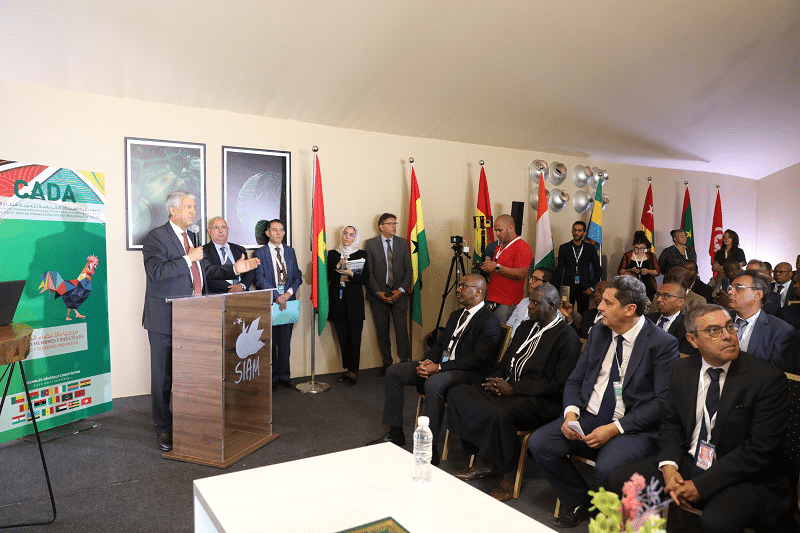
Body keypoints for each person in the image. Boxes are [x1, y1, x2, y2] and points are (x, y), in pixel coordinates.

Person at [610, 305, 791, 533]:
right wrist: (669, 468)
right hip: (693, 459)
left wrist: (700, 485)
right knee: (622, 479)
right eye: (714, 331)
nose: (727, 336)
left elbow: (760, 449)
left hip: (744, 474)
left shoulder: (766, 379)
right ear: (693, 340)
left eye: (729, 327)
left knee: (717, 521)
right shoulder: (683, 370)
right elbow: (671, 424)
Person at [528, 275, 679, 528]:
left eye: (608, 303)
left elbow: (661, 403)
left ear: (630, 309)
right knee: (541, 443)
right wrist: (571, 413)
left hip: (632, 426)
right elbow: (575, 379)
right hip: (591, 415)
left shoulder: (662, 344)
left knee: (608, 469)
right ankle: (579, 501)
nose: (599, 307)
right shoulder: (599, 332)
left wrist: (614, 428)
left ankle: (615, 521)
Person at [142, 191, 259, 451]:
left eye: (194, 207)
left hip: (193, 318)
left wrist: (235, 269)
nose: (193, 211)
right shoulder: (156, 237)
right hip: (164, 319)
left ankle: (188, 420)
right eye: (188, 207)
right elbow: (156, 272)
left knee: (188, 375)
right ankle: (163, 427)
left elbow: (205, 270)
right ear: (173, 210)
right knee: (162, 378)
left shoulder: (191, 238)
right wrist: (188, 259)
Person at [447, 284, 580, 501]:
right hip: (510, 388)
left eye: (536, 303)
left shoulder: (567, 337)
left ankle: (508, 475)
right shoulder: (526, 326)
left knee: (501, 414)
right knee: (459, 395)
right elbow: (507, 359)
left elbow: (559, 383)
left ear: (552, 306)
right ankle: (483, 460)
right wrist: (495, 379)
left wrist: (514, 389)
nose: (530, 307)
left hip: (542, 399)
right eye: (530, 301)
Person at [368, 274, 501, 465]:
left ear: (478, 292)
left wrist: (439, 368)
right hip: (442, 366)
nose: (458, 289)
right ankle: (395, 433)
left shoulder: (489, 321)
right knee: (394, 372)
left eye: (464, 286)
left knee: (434, 383)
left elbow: (478, 359)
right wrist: (427, 361)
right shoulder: (456, 315)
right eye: (459, 285)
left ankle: (430, 450)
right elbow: (440, 344)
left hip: (468, 374)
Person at [254, 219, 303, 390]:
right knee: (271, 342)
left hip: (288, 302)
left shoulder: (290, 251)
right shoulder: (260, 253)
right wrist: (277, 297)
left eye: (281, 230)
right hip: (271, 302)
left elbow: (297, 276)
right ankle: (272, 378)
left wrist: (287, 294)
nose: (278, 233)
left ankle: (284, 376)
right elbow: (259, 279)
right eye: (274, 230)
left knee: (285, 343)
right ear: (267, 233)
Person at [365, 213, 412, 375]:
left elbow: (408, 269)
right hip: (378, 295)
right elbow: (368, 272)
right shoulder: (371, 244)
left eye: (395, 223)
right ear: (381, 226)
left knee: (401, 330)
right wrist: (378, 292)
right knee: (382, 331)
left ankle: (404, 363)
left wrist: (401, 290)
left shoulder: (402, 243)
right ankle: (387, 363)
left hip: (399, 293)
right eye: (390, 223)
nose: (394, 226)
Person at [726, 270, 796, 372]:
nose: (730, 292)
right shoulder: (720, 319)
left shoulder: (780, 330)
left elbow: (774, 374)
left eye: (738, 288)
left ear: (758, 295)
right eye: (730, 288)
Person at [327, 225, 369, 386]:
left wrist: (351, 274)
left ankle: (354, 372)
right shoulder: (333, 254)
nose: (347, 237)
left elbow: (365, 279)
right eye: (345, 233)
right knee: (342, 338)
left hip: (354, 302)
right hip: (338, 300)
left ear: (355, 237)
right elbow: (327, 277)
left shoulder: (361, 254)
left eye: (351, 234)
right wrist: (337, 266)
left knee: (355, 338)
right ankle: (346, 370)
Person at [479, 214, 532, 324]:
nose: (497, 234)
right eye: (496, 231)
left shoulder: (522, 247)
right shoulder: (499, 247)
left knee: (499, 332)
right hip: (492, 298)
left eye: (500, 230)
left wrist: (497, 267)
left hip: (507, 302)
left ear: (511, 228)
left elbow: (521, 273)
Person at [554, 221, 601, 314]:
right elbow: (559, 269)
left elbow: (598, 269)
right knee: (566, 312)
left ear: (584, 233)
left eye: (579, 231)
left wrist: (592, 287)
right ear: (572, 231)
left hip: (585, 287)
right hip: (568, 287)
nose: (576, 233)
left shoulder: (590, 248)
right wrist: (556, 288)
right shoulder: (564, 248)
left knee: (584, 313)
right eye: (574, 230)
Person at [202, 216, 255, 294]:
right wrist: (231, 289)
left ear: (227, 230)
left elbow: (249, 272)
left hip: (242, 295)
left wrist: (241, 286)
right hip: (217, 296)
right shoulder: (203, 251)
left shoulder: (239, 249)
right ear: (209, 232)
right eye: (216, 228)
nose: (221, 231)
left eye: (223, 227)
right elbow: (206, 276)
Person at [646, 282, 698, 356]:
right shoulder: (646, 319)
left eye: (666, 296)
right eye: (658, 294)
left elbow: (684, 358)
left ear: (680, 302)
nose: (658, 299)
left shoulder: (688, 327)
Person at [506, 268, 552, 335]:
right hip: (511, 339)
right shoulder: (523, 302)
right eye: (531, 278)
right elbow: (509, 325)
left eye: (535, 279)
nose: (530, 282)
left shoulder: (550, 309)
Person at [618, 230, 660, 300]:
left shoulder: (651, 256)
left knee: (646, 304)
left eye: (641, 248)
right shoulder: (627, 255)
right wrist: (631, 270)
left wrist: (648, 271)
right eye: (636, 248)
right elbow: (620, 272)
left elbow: (657, 272)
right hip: (631, 286)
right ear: (633, 246)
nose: (639, 251)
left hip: (648, 286)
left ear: (645, 247)